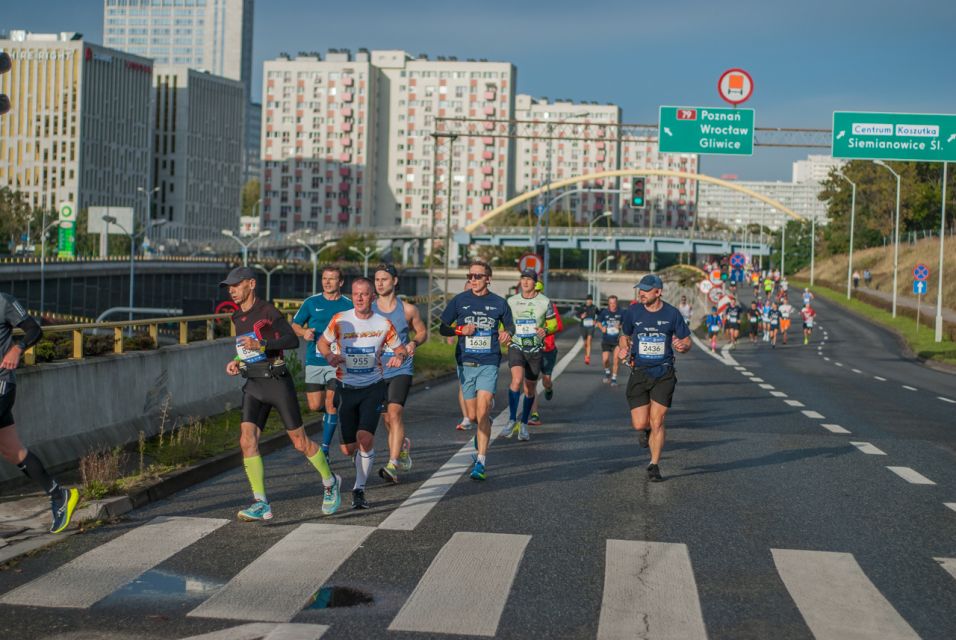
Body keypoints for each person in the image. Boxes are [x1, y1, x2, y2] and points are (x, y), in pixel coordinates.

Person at [222, 267, 342, 521]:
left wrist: (262, 344)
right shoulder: (236, 317)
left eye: (236, 285)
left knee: (300, 443)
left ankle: (330, 482)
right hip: (253, 383)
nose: (231, 290)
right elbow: (245, 348)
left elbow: (291, 340)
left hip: (276, 382)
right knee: (247, 440)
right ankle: (260, 503)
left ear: (251, 284)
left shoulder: (267, 311)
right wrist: (236, 360)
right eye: (229, 287)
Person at [317, 278, 408, 509]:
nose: (359, 298)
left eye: (364, 294)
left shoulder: (384, 324)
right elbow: (322, 343)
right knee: (348, 448)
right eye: (356, 293)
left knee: (365, 439)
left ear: (372, 298)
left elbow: (400, 349)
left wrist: (400, 356)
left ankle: (359, 489)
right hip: (346, 388)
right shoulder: (340, 320)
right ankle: (338, 480)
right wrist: (329, 357)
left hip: (372, 387)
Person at [0, 294, 78, 533]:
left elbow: (34, 330)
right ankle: (59, 495)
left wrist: (17, 348)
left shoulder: (3, 302)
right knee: (14, 451)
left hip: (1, 384)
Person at [439, 260, 513, 481]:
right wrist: (461, 329)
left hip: (489, 361)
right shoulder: (460, 301)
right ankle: (483, 429)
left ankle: (480, 461)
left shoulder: (499, 303)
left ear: (488, 279)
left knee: (483, 410)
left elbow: (510, 326)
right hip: (466, 362)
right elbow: (443, 327)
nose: (472, 279)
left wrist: (506, 333)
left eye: (478, 276)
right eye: (470, 276)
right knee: (472, 415)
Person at [618, 274, 691, 482]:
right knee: (640, 424)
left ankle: (654, 465)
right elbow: (624, 335)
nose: (641, 293)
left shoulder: (672, 313)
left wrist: (683, 346)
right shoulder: (633, 312)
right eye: (640, 289)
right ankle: (645, 430)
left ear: (658, 292)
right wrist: (623, 348)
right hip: (639, 372)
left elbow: (686, 340)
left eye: (646, 290)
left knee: (658, 420)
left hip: (664, 372)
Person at [372, 264, 427, 484]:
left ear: (394, 281)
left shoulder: (408, 310)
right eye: (376, 280)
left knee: (394, 414)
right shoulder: (369, 308)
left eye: (384, 279)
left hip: (401, 368)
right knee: (386, 419)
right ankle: (402, 445)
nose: (379, 283)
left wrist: (413, 343)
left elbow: (422, 331)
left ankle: (392, 464)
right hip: (376, 371)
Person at [291, 266, 353, 458]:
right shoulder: (311, 302)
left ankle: (324, 448)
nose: (327, 282)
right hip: (315, 360)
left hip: (337, 361)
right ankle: (329, 418)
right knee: (314, 405)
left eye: (332, 279)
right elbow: (295, 324)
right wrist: (304, 332)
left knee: (331, 403)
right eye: (325, 279)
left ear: (340, 282)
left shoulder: (348, 305)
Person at [505, 269, 556, 441]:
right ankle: (512, 419)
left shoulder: (545, 301)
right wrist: (504, 334)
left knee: (530, 388)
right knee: (516, 380)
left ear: (536, 282)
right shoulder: (511, 301)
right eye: (523, 279)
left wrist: (546, 330)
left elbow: (554, 323)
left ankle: (524, 424)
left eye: (529, 279)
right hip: (516, 346)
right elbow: (503, 322)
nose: (525, 282)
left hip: (535, 350)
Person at [529, 284, 563, 426]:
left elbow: (559, 326)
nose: (534, 293)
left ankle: (549, 388)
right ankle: (534, 414)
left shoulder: (549, 305)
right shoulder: (525, 306)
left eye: (536, 291)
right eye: (532, 291)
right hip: (532, 348)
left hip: (548, 348)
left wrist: (545, 330)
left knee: (546, 380)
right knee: (531, 382)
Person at [596, 295, 625, 386]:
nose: (612, 305)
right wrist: (602, 328)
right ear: (608, 303)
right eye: (611, 303)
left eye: (614, 303)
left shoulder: (622, 312)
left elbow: (626, 324)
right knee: (605, 360)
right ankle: (607, 371)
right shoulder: (604, 312)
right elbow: (598, 322)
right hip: (606, 340)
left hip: (617, 340)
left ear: (617, 303)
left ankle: (614, 378)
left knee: (616, 359)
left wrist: (620, 326)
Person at [576, 295, 599, 366]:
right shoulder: (582, 307)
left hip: (591, 327)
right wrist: (581, 316)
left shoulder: (594, 307)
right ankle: (586, 354)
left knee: (589, 341)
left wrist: (596, 321)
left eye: (590, 300)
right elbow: (577, 314)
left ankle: (588, 357)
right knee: (585, 343)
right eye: (588, 300)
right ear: (586, 300)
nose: (589, 301)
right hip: (583, 327)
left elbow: (600, 315)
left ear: (592, 301)